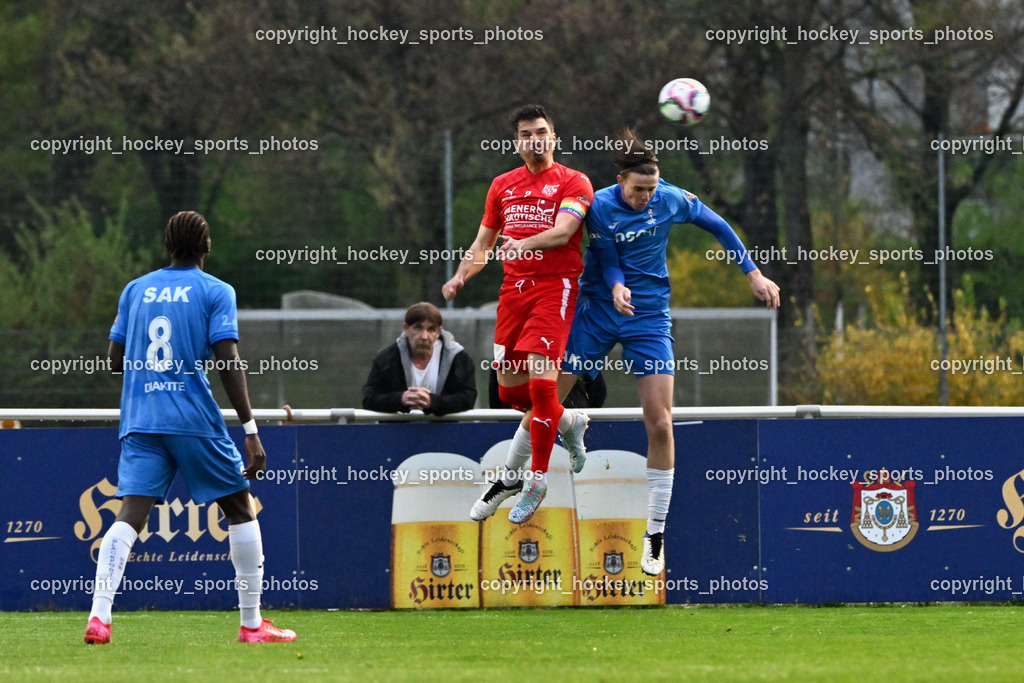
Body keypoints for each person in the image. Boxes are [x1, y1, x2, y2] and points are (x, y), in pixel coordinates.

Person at [561, 129, 780, 576]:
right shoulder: (598, 205)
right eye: (638, 189)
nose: (645, 197)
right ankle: (558, 437)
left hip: (649, 319)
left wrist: (753, 274)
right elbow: (605, 259)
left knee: (660, 423)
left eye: (651, 188)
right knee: (544, 402)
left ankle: (655, 532)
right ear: (620, 180)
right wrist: (617, 286)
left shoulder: (670, 197)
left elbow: (718, 224)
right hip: (599, 310)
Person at [84, 211, 296, 644]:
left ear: (167, 245)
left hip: (141, 419)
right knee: (240, 508)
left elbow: (113, 361)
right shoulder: (216, 291)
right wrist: (251, 428)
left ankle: (99, 618)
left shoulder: (135, 289)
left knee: (129, 515)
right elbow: (228, 361)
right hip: (192, 418)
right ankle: (252, 624)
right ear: (207, 246)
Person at [442, 104, 592, 524]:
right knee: (510, 393)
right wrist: (460, 276)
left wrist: (524, 244)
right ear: (517, 143)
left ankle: (534, 480)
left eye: (542, 132)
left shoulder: (574, 181)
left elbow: (564, 232)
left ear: (555, 137)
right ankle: (568, 422)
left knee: (543, 388)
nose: (535, 140)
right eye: (526, 135)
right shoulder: (502, 185)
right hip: (514, 294)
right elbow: (483, 243)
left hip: (555, 290)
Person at [362, 302, 477, 415]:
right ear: (406, 329)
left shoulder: (458, 359)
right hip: (397, 431)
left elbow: (468, 397)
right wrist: (401, 399)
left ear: (438, 332)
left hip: (443, 431)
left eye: (431, 329)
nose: (424, 336)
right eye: (418, 328)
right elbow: (369, 398)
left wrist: (432, 402)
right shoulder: (386, 358)